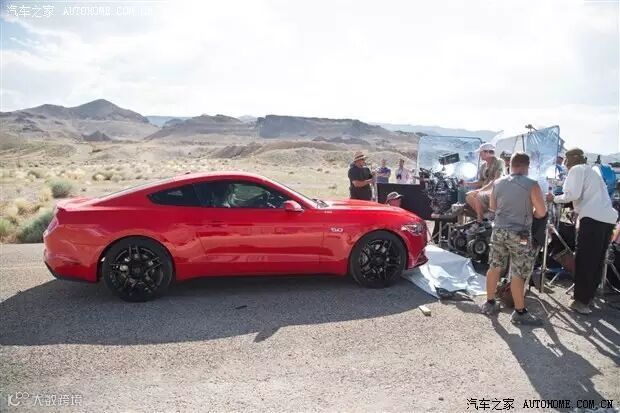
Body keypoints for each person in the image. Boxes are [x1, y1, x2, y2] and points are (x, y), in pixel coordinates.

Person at [546, 148, 618, 314]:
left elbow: (572, 194)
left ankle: (580, 302)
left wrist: (554, 198)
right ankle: (587, 297)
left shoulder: (576, 170)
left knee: (585, 260)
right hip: (607, 219)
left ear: (569, 160)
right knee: (597, 260)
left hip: (592, 219)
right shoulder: (592, 171)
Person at [480, 152, 547, 325]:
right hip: (520, 235)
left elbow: (493, 207)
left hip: (499, 231)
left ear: (511, 165)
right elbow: (541, 212)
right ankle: (519, 312)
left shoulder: (498, 183)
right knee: (519, 271)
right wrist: (530, 212)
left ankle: (489, 302)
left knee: (494, 266)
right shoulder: (532, 184)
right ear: (526, 166)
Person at [465, 143, 504, 227]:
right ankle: (484, 217)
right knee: (469, 196)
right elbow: (481, 181)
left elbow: (496, 180)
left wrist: (480, 190)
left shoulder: (499, 162)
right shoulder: (483, 166)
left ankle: (480, 220)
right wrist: (467, 184)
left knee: (478, 195)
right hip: (485, 190)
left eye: (481, 152)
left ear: (487, 152)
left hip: (495, 189)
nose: (480, 155)